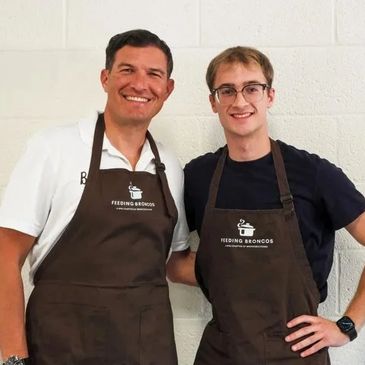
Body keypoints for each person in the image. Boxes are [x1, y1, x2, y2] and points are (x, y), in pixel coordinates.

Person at [0, 29, 191, 365]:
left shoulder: (170, 166)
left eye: (154, 74)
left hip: (148, 350)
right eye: (127, 70)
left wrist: (252, 270)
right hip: (61, 348)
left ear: (168, 89)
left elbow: (176, 264)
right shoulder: (53, 148)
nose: (139, 84)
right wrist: (14, 358)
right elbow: (5, 254)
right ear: (105, 78)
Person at [179, 46, 365, 364]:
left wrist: (347, 326)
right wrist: (227, 267)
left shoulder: (313, 174)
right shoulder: (197, 177)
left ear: (270, 96)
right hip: (221, 353)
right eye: (227, 90)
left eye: (252, 88)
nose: (240, 101)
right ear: (214, 101)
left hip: (297, 353)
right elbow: (171, 261)